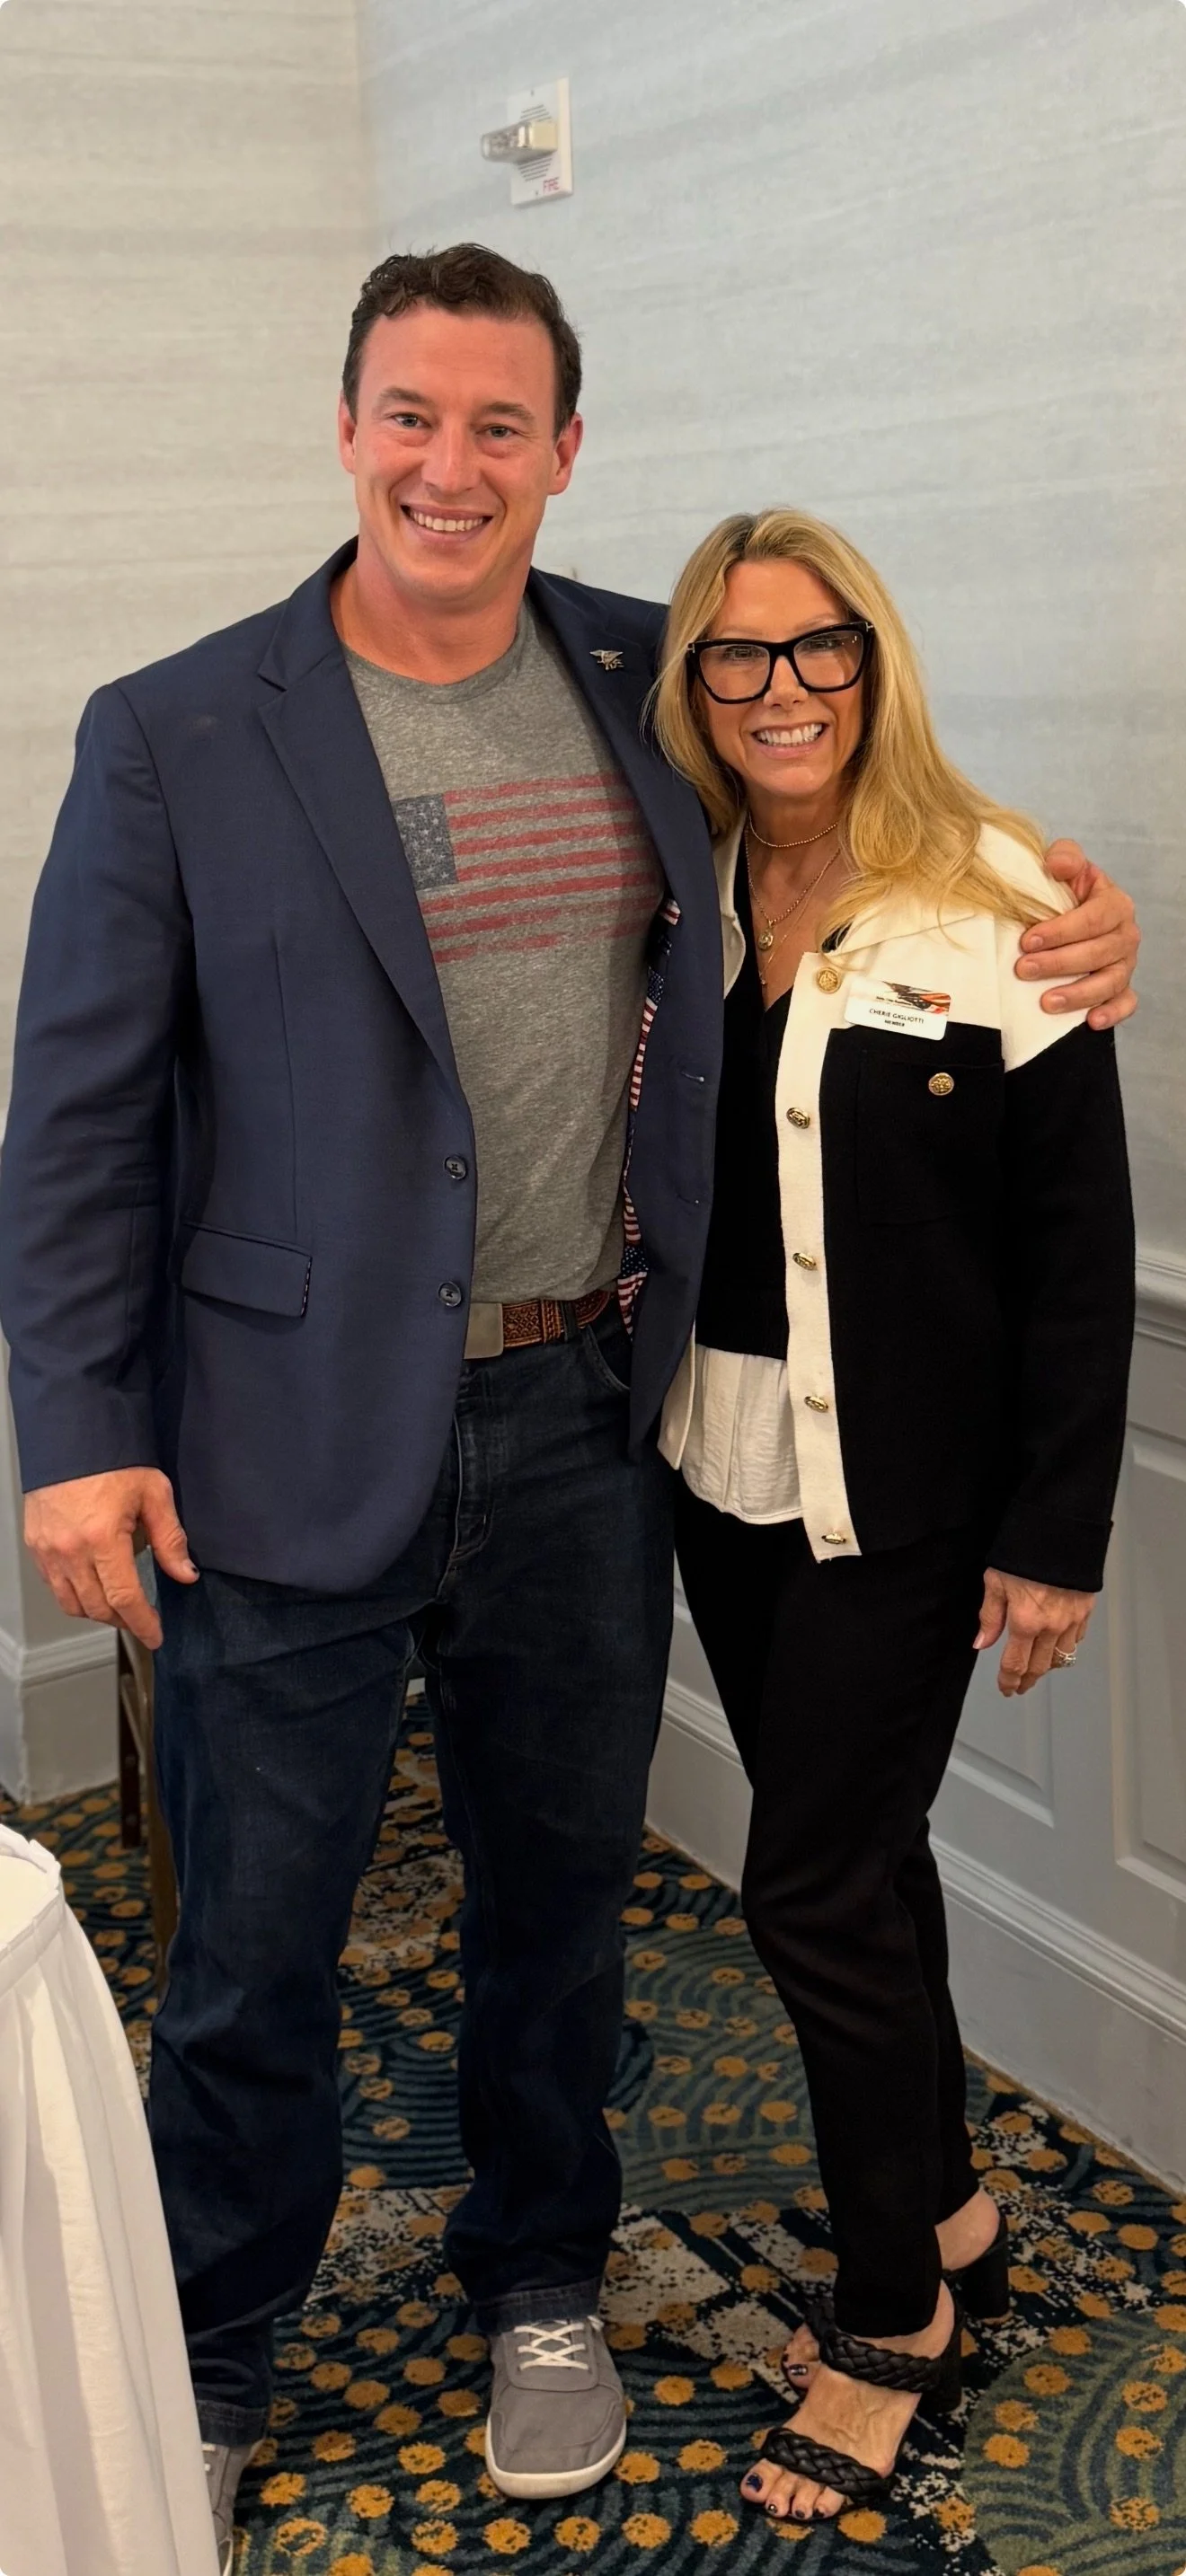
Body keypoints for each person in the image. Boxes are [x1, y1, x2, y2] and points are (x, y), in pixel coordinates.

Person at [0, 249, 1139, 2563]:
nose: (453, 466)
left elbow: (859, 775)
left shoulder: (649, 672)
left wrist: (1060, 912)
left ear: (565, 453)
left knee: (560, 1909)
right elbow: (81, 1115)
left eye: (501, 427)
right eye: (412, 416)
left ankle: (542, 2272)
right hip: (273, 1443)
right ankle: (219, 2347)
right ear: (346, 427)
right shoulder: (180, 727)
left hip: (579, 1421)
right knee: (250, 1949)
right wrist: (73, 1428)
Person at [651, 508, 1136, 2527]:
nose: (782, 691)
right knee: (863, 1872)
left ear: (877, 659)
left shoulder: (1004, 900)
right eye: (737, 659)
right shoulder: (669, 894)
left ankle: (889, 2320)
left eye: (817, 649)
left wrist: (1058, 1533)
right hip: (713, 1463)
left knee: (807, 1891)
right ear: (691, 686)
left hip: (912, 1500)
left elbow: (1075, 1250)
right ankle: (945, 2207)